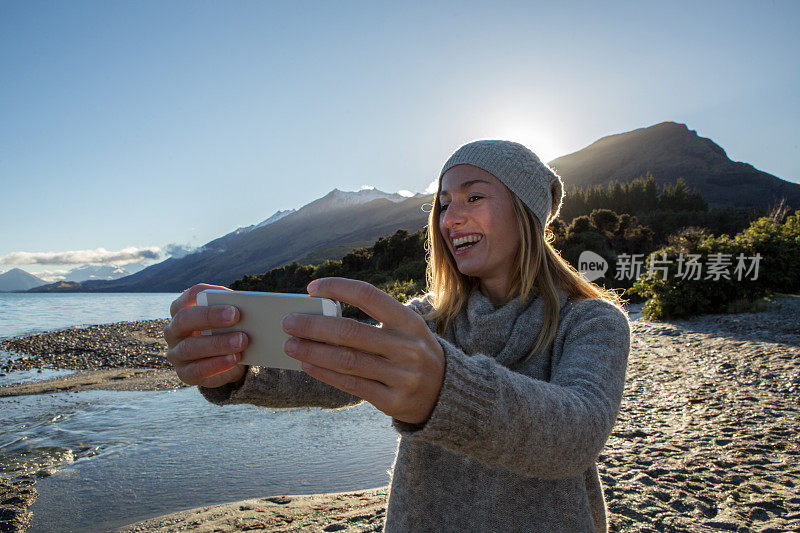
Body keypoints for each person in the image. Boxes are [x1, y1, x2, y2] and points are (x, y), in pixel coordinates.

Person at [163, 139, 631, 532]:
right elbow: (338, 369)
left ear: (526, 211)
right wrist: (240, 367)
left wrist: (445, 389)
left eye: (473, 198)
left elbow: (578, 433)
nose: (451, 218)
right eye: (444, 204)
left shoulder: (592, 321)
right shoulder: (429, 318)